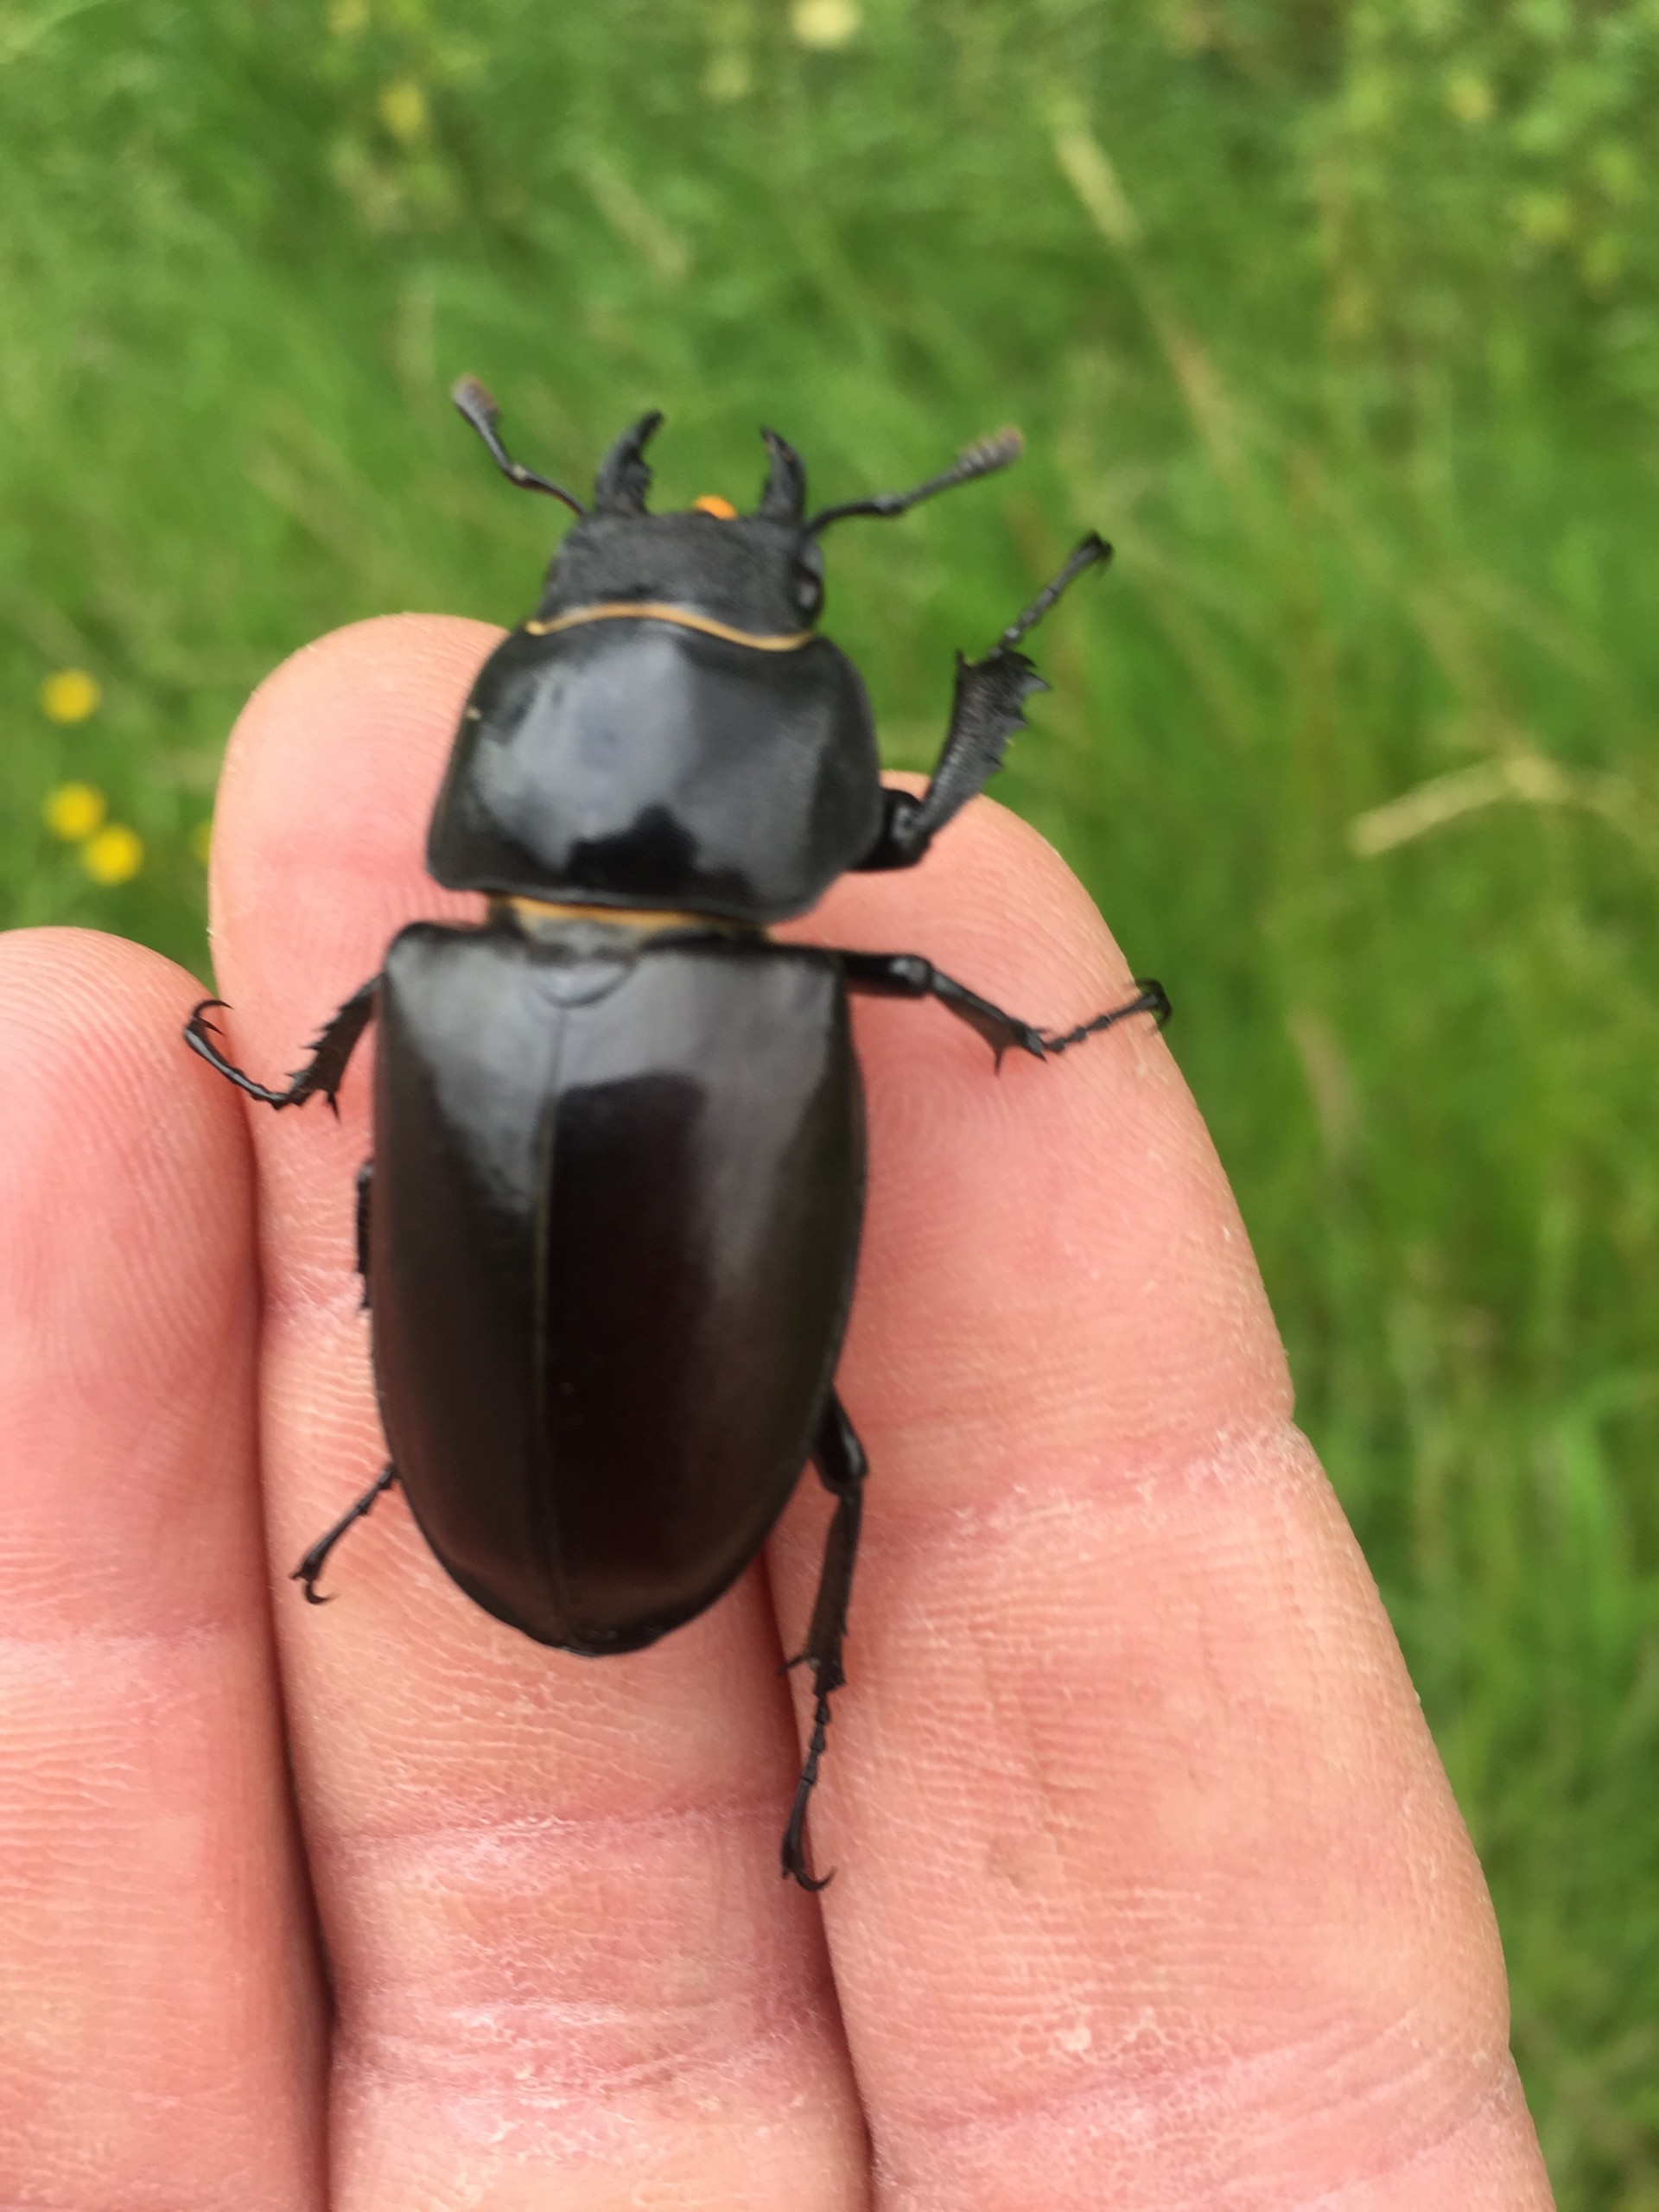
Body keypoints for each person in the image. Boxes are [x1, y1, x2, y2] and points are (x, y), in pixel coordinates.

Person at [0, 616, 1554, 2206]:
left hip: (507, 1457)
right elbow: (915, 844)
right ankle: (792, 1686)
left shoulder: (423, 981)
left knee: (413, 1178)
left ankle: (521, 1516)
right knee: (844, 1456)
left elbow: (399, 1199)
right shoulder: (686, 988)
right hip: (586, 1463)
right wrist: (995, 680)